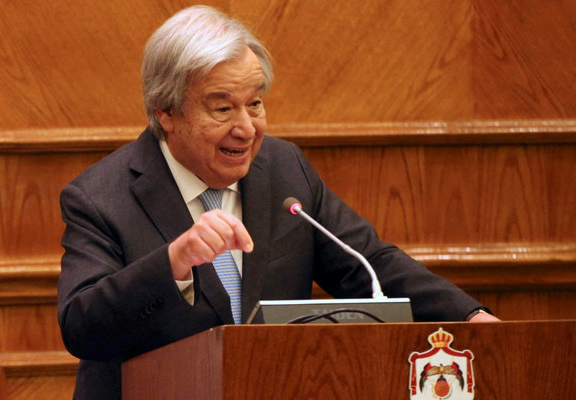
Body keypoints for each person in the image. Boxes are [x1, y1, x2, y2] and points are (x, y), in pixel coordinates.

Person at [57, 5, 498, 399]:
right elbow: (82, 326)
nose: (247, 129)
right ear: (165, 113)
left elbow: (369, 264)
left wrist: (471, 318)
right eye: (223, 109)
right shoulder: (100, 197)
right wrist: (172, 262)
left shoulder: (285, 168)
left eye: (255, 103)